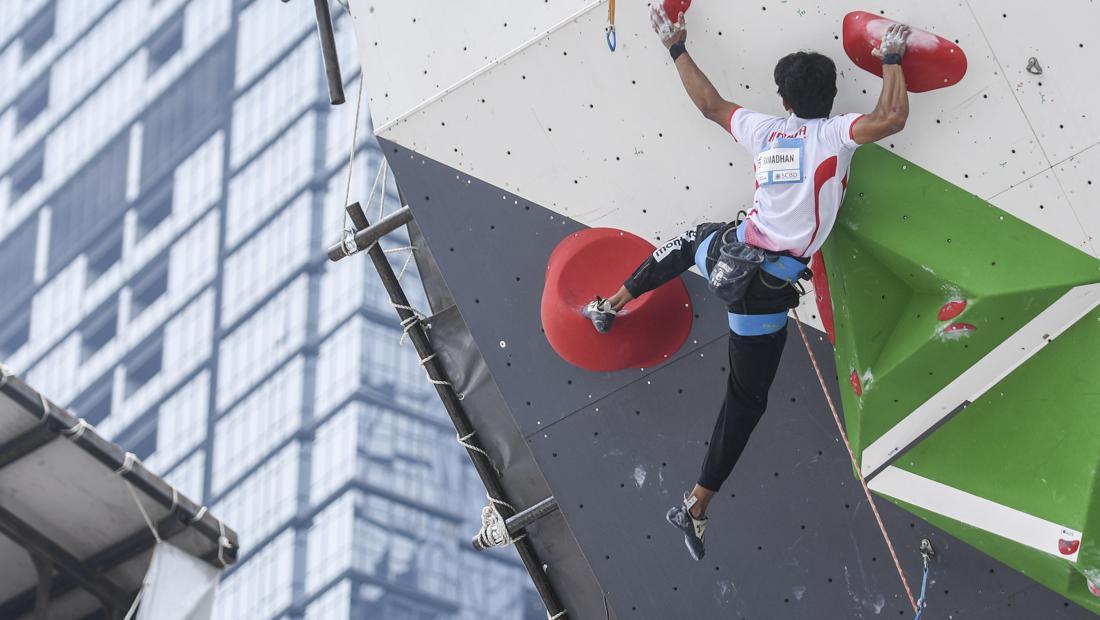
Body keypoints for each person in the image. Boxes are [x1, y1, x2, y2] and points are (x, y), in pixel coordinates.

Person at [582, 7, 912, 560]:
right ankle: (694, 505)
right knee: (744, 401)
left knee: (693, 240)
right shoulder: (836, 133)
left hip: (732, 259)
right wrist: (893, 58)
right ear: (830, 98)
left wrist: (676, 47)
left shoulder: (765, 129)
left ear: (783, 101)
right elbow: (892, 116)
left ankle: (611, 303)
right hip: (761, 296)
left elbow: (710, 104)